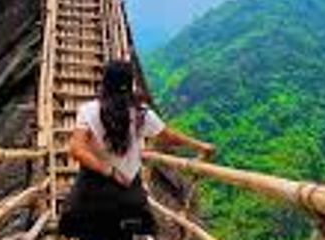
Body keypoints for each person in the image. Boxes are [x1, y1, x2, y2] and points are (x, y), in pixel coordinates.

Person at [58, 60, 216, 240]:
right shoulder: (142, 114)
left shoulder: (89, 110)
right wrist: (199, 145)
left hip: (93, 193)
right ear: (130, 83)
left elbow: (76, 149)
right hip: (126, 192)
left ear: (105, 82)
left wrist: (108, 170)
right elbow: (168, 136)